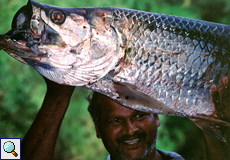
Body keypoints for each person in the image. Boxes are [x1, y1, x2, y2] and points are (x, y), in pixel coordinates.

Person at [21, 77, 230, 160]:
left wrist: (213, 120)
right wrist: (56, 98)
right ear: (97, 129)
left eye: (139, 115)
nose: (130, 130)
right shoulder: (6, 147)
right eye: (115, 121)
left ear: (157, 116)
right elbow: (8, 155)